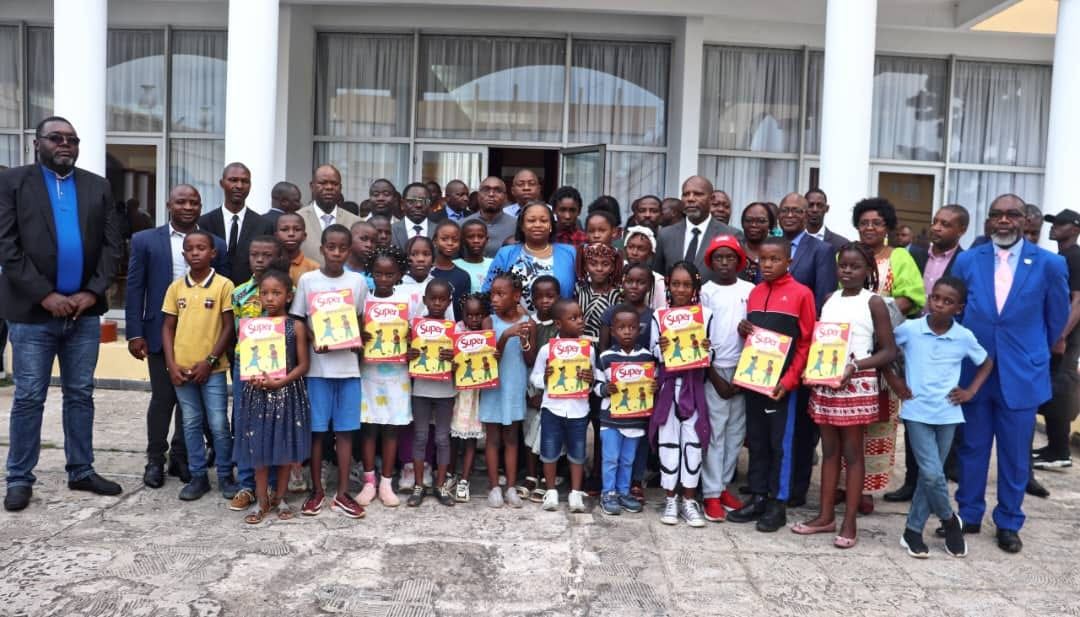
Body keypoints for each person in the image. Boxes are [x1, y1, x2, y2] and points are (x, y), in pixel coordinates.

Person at [0, 116, 123, 511]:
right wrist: (45, 296)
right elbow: (7, 246)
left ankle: (81, 469)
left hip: (83, 315)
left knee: (81, 394)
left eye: (72, 139)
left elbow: (111, 246)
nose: (65, 144)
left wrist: (91, 292)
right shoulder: (14, 182)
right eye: (56, 138)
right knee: (30, 396)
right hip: (33, 315)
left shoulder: (97, 185)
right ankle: (19, 478)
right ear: (38, 143)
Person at [949, 195, 1069, 553]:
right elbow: (955, 308)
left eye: (1012, 215)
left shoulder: (1050, 264)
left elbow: (1056, 318)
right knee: (972, 447)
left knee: (1016, 453)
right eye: (997, 215)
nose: (1004, 221)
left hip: (1022, 371)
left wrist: (1030, 350)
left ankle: (1009, 521)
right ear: (988, 221)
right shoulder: (969, 259)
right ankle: (968, 514)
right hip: (974, 372)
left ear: (1026, 221)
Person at [126, 185, 229, 490]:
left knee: (191, 405)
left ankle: (182, 457)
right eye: (181, 201)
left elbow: (224, 293)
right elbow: (134, 288)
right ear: (168, 204)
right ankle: (155, 459)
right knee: (163, 399)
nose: (187, 206)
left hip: (204, 335)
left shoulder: (216, 244)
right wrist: (134, 333)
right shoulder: (145, 240)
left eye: (194, 202)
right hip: (162, 334)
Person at [795, 243, 897, 549]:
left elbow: (889, 351)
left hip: (856, 382)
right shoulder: (829, 299)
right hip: (827, 381)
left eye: (855, 267)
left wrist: (855, 366)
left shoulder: (874, 302)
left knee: (853, 453)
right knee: (829, 451)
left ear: (868, 270)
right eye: (843, 266)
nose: (848, 271)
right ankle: (825, 516)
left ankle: (849, 521)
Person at [884, 276, 993, 559]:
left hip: (948, 414)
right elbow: (884, 352)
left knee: (930, 476)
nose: (940, 305)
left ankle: (912, 531)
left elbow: (986, 362)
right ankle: (949, 520)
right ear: (929, 299)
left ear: (959, 308)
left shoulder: (963, 337)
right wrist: (894, 381)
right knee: (932, 473)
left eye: (948, 302)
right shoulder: (910, 329)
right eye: (936, 298)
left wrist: (970, 391)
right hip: (917, 410)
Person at [727, 237, 815, 532]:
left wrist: (789, 381)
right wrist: (744, 330)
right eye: (763, 259)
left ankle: (778, 503)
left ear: (789, 262)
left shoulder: (802, 294)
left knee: (781, 444)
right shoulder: (755, 293)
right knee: (758, 441)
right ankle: (758, 496)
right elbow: (754, 339)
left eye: (775, 259)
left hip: (782, 386)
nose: (767, 264)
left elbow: (806, 343)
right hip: (755, 381)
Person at [889, 204, 968, 503]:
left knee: (944, 413)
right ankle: (911, 480)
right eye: (935, 221)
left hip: (946, 345)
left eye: (945, 224)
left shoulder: (965, 260)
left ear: (960, 231)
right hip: (916, 342)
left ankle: (939, 481)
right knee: (914, 408)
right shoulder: (916, 255)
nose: (936, 227)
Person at [850, 197, 925, 512]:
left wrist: (879, 315)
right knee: (848, 416)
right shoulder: (846, 253)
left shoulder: (900, 258)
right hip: (851, 345)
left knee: (878, 419)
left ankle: (866, 490)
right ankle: (845, 485)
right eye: (864, 222)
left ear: (887, 227)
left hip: (885, 347)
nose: (869, 228)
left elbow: (912, 297)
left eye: (876, 223)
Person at [291, 224, 369, 519]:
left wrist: (357, 340)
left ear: (350, 250)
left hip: (348, 369)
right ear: (322, 248)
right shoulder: (308, 281)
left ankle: (343, 493)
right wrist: (313, 339)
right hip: (317, 370)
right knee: (318, 433)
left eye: (343, 248)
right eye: (331, 247)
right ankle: (317, 491)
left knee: (346, 431)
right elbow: (298, 319)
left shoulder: (357, 282)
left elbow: (360, 320)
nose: (337, 253)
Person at [161, 230, 237, 502]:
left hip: (212, 370)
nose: (195, 253)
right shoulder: (176, 288)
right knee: (191, 422)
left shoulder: (224, 286)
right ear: (183, 255)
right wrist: (171, 364)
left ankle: (226, 475)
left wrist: (210, 361)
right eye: (190, 249)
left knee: (217, 423)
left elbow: (229, 327)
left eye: (201, 248)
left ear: (213, 253)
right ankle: (198, 476)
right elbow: (168, 328)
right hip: (182, 369)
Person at [233, 269, 312, 523]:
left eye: (276, 293)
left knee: (285, 447)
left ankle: (281, 498)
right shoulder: (252, 327)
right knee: (259, 449)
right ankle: (261, 501)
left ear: (288, 296)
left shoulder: (296, 326)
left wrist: (281, 382)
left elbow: (303, 365)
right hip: (257, 394)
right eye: (264, 293)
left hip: (287, 393)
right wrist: (254, 377)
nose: (270, 298)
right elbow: (248, 361)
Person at [776, 192, 838, 508]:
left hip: (801, 348)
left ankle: (794, 490)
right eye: (784, 210)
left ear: (807, 215)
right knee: (773, 423)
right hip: (769, 351)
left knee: (799, 427)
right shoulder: (771, 248)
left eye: (796, 211)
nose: (790, 215)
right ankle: (772, 482)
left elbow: (823, 302)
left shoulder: (821, 250)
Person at [227, 235, 293, 509]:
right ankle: (247, 484)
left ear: (278, 257)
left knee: (277, 423)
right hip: (248, 365)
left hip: (281, 366)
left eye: (267, 255)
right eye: (255, 254)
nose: (261, 260)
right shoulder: (239, 293)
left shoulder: (292, 290)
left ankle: (277, 487)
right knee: (246, 423)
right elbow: (233, 330)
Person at [650, 261, 713, 527]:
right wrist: (661, 346)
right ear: (668, 285)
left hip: (693, 387)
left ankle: (689, 500)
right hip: (668, 387)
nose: (681, 289)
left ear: (695, 287)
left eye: (687, 284)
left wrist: (707, 348)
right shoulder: (659, 316)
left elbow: (712, 355)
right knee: (668, 442)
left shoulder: (706, 316)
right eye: (675, 284)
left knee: (693, 443)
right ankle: (670, 498)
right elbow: (654, 354)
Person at [699, 235, 753, 522]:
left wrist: (750, 330)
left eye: (730, 257)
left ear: (739, 260)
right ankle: (710, 493)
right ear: (710, 261)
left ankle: (722, 487)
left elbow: (757, 330)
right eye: (718, 258)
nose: (724, 262)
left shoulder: (750, 289)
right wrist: (713, 375)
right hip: (716, 371)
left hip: (744, 369)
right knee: (716, 431)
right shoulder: (706, 292)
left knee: (735, 432)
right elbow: (699, 337)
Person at [354, 245, 413, 508]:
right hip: (368, 373)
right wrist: (359, 336)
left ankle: (387, 481)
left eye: (390, 275)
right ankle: (369, 481)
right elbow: (350, 333)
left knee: (391, 428)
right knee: (368, 427)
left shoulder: (408, 301)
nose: (384, 279)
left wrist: (412, 343)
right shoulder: (363, 300)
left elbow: (419, 335)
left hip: (397, 374)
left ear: (399, 275)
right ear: (371, 273)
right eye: (378, 273)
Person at [530, 299, 594, 513]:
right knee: (549, 451)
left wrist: (590, 379)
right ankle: (551, 492)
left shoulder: (588, 351)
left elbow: (593, 382)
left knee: (577, 452)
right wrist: (545, 378)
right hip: (552, 409)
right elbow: (535, 378)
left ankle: (576, 493)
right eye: (573, 318)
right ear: (558, 324)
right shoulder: (547, 350)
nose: (580, 322)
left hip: (578, 410)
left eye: (580, 317)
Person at [480, 270, 536, 508]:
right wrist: (504, 336)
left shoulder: (528, 323)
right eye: (492, 294)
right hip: (493, 386)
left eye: (500, 294)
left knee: (512, 437)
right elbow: (489, 357)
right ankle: (494, 486)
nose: (494, 299)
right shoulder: (489, 322)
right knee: (492, 438)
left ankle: (511, 486)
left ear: (516, 296)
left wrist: (523, 337)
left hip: (514, 387)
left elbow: (531, 359)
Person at [593, 303, 654, 515]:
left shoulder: (647, 357)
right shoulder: (605, 357)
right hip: (611, 419)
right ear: (612, 331)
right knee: (610, 458)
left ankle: (623, 491)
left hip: (635, 419)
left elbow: (651, 384)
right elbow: (595, 386)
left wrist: (653, 387)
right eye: (621, 327)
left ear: (639, 330)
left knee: (628, 459)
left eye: (632, 327)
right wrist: (605, 389)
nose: (627, 332)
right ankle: (608, 493)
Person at [1033, 208, 1080, 472]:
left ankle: (1060, 451)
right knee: (1051, 389)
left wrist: (1060, 335)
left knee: (1061, 390)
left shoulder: (1075, 256)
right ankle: (1053, 447)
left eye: (1061, 224)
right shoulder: (1062, 256)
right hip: (1056, 335)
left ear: (1075, 229)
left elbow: (1078, 300)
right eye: (1053, 223)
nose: (1054, 227)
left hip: (1066, 339)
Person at [405, 279, 457, 508]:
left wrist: (453, 360)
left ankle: (441, 484)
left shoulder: (455, 330)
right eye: (432, 299)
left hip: (446, 390)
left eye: (442, 299)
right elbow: (404, 355)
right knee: (420, 436)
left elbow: (462, 364)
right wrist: (410, 353)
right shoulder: (414, 328)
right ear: (424, 300)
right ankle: (418, 485)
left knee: (442, 438)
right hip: (421, 388)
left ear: (449, 301)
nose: (437, 303)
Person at [482, 202, 576, 311]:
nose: (537, 224)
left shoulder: (569, 253)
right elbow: (488, 293)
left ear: (551, 225)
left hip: (559, 324)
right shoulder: (505, 254)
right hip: (513, 325)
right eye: (531, 220)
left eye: (543, 221)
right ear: (522, 226)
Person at [198, 162, 274, 285]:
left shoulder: (263, 225)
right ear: (222, 183)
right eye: (233, 180)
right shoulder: (204, 223)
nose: (239, 186)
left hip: (249, 298)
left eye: (245, 181)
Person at [653, 176, 740, 284]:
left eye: (698, 194)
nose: (690, 199)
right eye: (686, 194)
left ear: (711, 199)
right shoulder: (665, 235)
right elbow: (657, 278)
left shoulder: (731, 235)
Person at [522, 275, 562, 501]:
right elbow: (529, 360)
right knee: (530, 432)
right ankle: (531, 474)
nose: (545, 301)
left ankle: (549, 476)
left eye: (551, 296)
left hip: (556, 389)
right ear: (532, 300)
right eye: (539, 297)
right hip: (533, 385)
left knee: (549, 433)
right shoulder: (529, 324)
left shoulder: (561, 323)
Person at [449, 292, 489, 503]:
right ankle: (450, 474)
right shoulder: (456, 330)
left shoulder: (487, 334)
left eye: (478, 315)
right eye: (470, 315)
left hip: (475, 395)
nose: (474, 320)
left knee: (471, 438)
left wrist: (493, 356)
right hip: (457, 393)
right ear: (462, 314)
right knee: (453, 436)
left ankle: (465, 479)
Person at [297, 165, 360, 265]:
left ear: (340, 187)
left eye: (334, 184)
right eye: (323, 183)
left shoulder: (355, 222)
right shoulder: (298, 219)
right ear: (312, 186)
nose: (329, 187)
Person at [463, 176, 518, 256]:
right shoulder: (462, 224)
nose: (491, 194)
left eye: (497, 190)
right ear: (478, 195)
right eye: (486, 190)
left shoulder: (517, 226)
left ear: (505, 197)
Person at [431, 220, 472, 317]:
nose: (450, 243)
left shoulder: (463, 276)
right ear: (435, 241)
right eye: (444, 239)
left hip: (452, 328)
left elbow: (462, 310)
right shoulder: (425, 272)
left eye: (455, 239)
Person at [622, 226, 667, 311]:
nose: (634, 253)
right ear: (625, 249)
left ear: (651, 254)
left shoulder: (659, 282)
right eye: (631, 247)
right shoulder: (616, 274)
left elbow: (661, 311)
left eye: (641, 249)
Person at [275, 212, 320, 286]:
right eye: (284, 229)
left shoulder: (314, 268)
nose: (291, 234)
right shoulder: (270, 265)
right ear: (276, 236)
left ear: (304, 236)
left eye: (297, 229)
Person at [737, 202, 776, 285]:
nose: (754, 225)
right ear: (742, 223)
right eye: (749, 220)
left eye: (761, 221)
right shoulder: (735, 249)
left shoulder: (778, 251)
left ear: (770, 224)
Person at [392, 183, 439, 249]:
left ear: (430, 205)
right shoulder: (391, 231)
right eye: (412, 201)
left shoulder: (439, 231)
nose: (418, 205)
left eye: (424, 201)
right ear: (402, 204)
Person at [455, 219, 493, 293]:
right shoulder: (454, 265)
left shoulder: (494, 264)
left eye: (481, 237)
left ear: (487, 240)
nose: (476, 241)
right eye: (470, 237)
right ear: (462, 240)